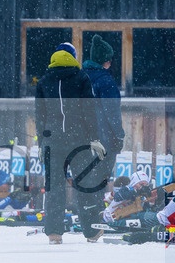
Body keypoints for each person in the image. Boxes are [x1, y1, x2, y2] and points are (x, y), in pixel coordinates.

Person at [34, 50, 107, 244]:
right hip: (79, 141)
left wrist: (41, 142)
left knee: (54, 188)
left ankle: (54, 233)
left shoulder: (44, 82)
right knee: (84, 186)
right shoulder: (81, 78)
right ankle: (91, 231)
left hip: (52, 142)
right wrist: (94, 137)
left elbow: (40, 115)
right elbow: (89, 110)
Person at [83, 34, 124, 192]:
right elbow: (112, 113)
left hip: (81, 136)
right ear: (105, 61)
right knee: (100, 177)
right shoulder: (106, 81)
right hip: (104, 137)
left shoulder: (81, 78)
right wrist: (119, 135)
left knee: (84, 177)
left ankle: (85, 209)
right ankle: (97, 211)